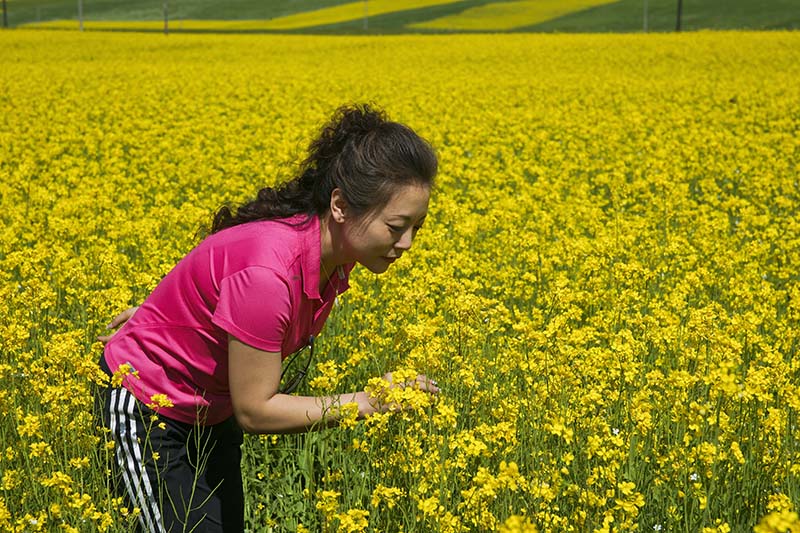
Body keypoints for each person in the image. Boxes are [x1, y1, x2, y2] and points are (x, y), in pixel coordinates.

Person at [96, 103, 440, 533]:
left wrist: (163, 314)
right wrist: (369, 401)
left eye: (417, 228)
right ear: (340, 206)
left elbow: (216, 277)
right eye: (396, 226)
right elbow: (256, 412)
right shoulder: (270, 272)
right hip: (148, 405)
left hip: (208, 412)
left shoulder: (331, 255)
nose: (407, 243)